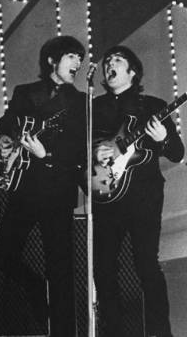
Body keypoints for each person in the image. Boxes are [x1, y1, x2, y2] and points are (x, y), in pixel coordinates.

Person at [0, 35, 86, 337]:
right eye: (72, 56)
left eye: (80, 58)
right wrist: (5, 141)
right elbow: (8, 122)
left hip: (58, 191)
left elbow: (78, 151)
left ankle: (64, 333)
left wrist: (46, 155)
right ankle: (35, 288)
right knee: (4, 253)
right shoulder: (26, 92)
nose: (78, 63)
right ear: (52, 60)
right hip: (25, 187)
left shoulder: (80, 102)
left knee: (61, 271)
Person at [93, 46, 184, 337]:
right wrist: (96, 151)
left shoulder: (153, 106)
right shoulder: (94, 107)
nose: (110, 64)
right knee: (103, 268)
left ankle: (161, 333)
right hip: (107, 194)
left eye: (117, 60)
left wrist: (165, 136)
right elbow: (79, 149)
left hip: (144, 197)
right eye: (108, 61)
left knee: (146, 265)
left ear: (132, 71)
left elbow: (177, 153)